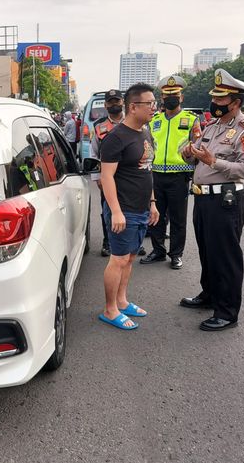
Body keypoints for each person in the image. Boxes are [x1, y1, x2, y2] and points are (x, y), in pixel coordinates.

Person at [179, 68, 244, 331]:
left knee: (225, 257)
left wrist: (213, 161)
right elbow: (195, 158)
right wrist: (188, 153)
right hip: (203, 200)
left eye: (221, 99)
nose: (214, 103)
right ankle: (210, 295)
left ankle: (227, 312)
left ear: (236, 102)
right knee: (207, 252)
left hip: (226, 201)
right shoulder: (211, 127)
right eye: (214, 98)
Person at [98, 83, 160, 330]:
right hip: (123, 209)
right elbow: (106, 177)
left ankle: (122, 301)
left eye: (155, 103)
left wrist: (152, 203)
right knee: (118, 259)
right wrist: (115, 211)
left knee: (131, 257)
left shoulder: (144, 132)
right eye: (150, 104)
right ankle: (110, 309)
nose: (154, 108)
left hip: (142, 208)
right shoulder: (116, 138)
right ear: (133, 107)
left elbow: (147, 170)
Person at [141, 75, 201, 270]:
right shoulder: (155, 120)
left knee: (177, 219)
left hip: (179, 176)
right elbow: (148, 145)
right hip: (156, 174)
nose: (171, 98)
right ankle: (158, 251)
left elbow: (198, 146)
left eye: (175, 95)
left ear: (181, 98)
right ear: (162, 98)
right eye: (167, 95)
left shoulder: (191, 120)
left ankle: (176, 254)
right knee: (155, 216)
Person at [89, 89, 126, 257]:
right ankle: (108, 241)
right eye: (110, 102)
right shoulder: (99, 126)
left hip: (129, 176)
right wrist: (97, 177)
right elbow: (93, 153)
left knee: (130, 208)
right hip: (107, 176)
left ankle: (130, 241)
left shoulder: (133, 122)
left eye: (117, 101)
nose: (114, 105)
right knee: (108, 209)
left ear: (123, 102)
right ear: (105, 105)